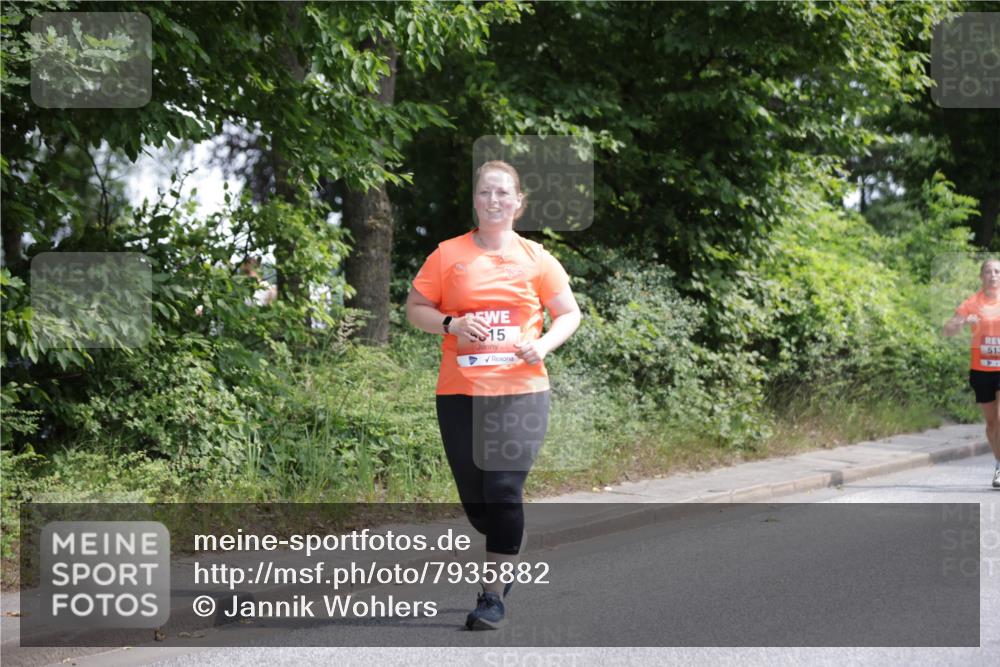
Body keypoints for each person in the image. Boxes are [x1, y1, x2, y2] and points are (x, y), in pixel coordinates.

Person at [406, 160, 581, 629]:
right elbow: (416, 308)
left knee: (504, 491)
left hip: (521, 391)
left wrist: (541, 344)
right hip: (459, 393)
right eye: (486, 192)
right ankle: (506, 539)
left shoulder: (536, 258)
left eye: (504, 193)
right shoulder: (447, 255)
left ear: (518, 203)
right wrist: (452, 323)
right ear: (475, 201)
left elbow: (569, 313)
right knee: (480, 506)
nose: (494, 200)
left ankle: (491, 595)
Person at [943, 257, 1000, 489]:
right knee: (992, 422)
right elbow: (947, 330)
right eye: (988, 271)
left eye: (997, 271)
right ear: (981, 276)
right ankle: (998, 463)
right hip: (981, 369)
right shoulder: (972, 303)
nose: (993, 275)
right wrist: (963, 321)